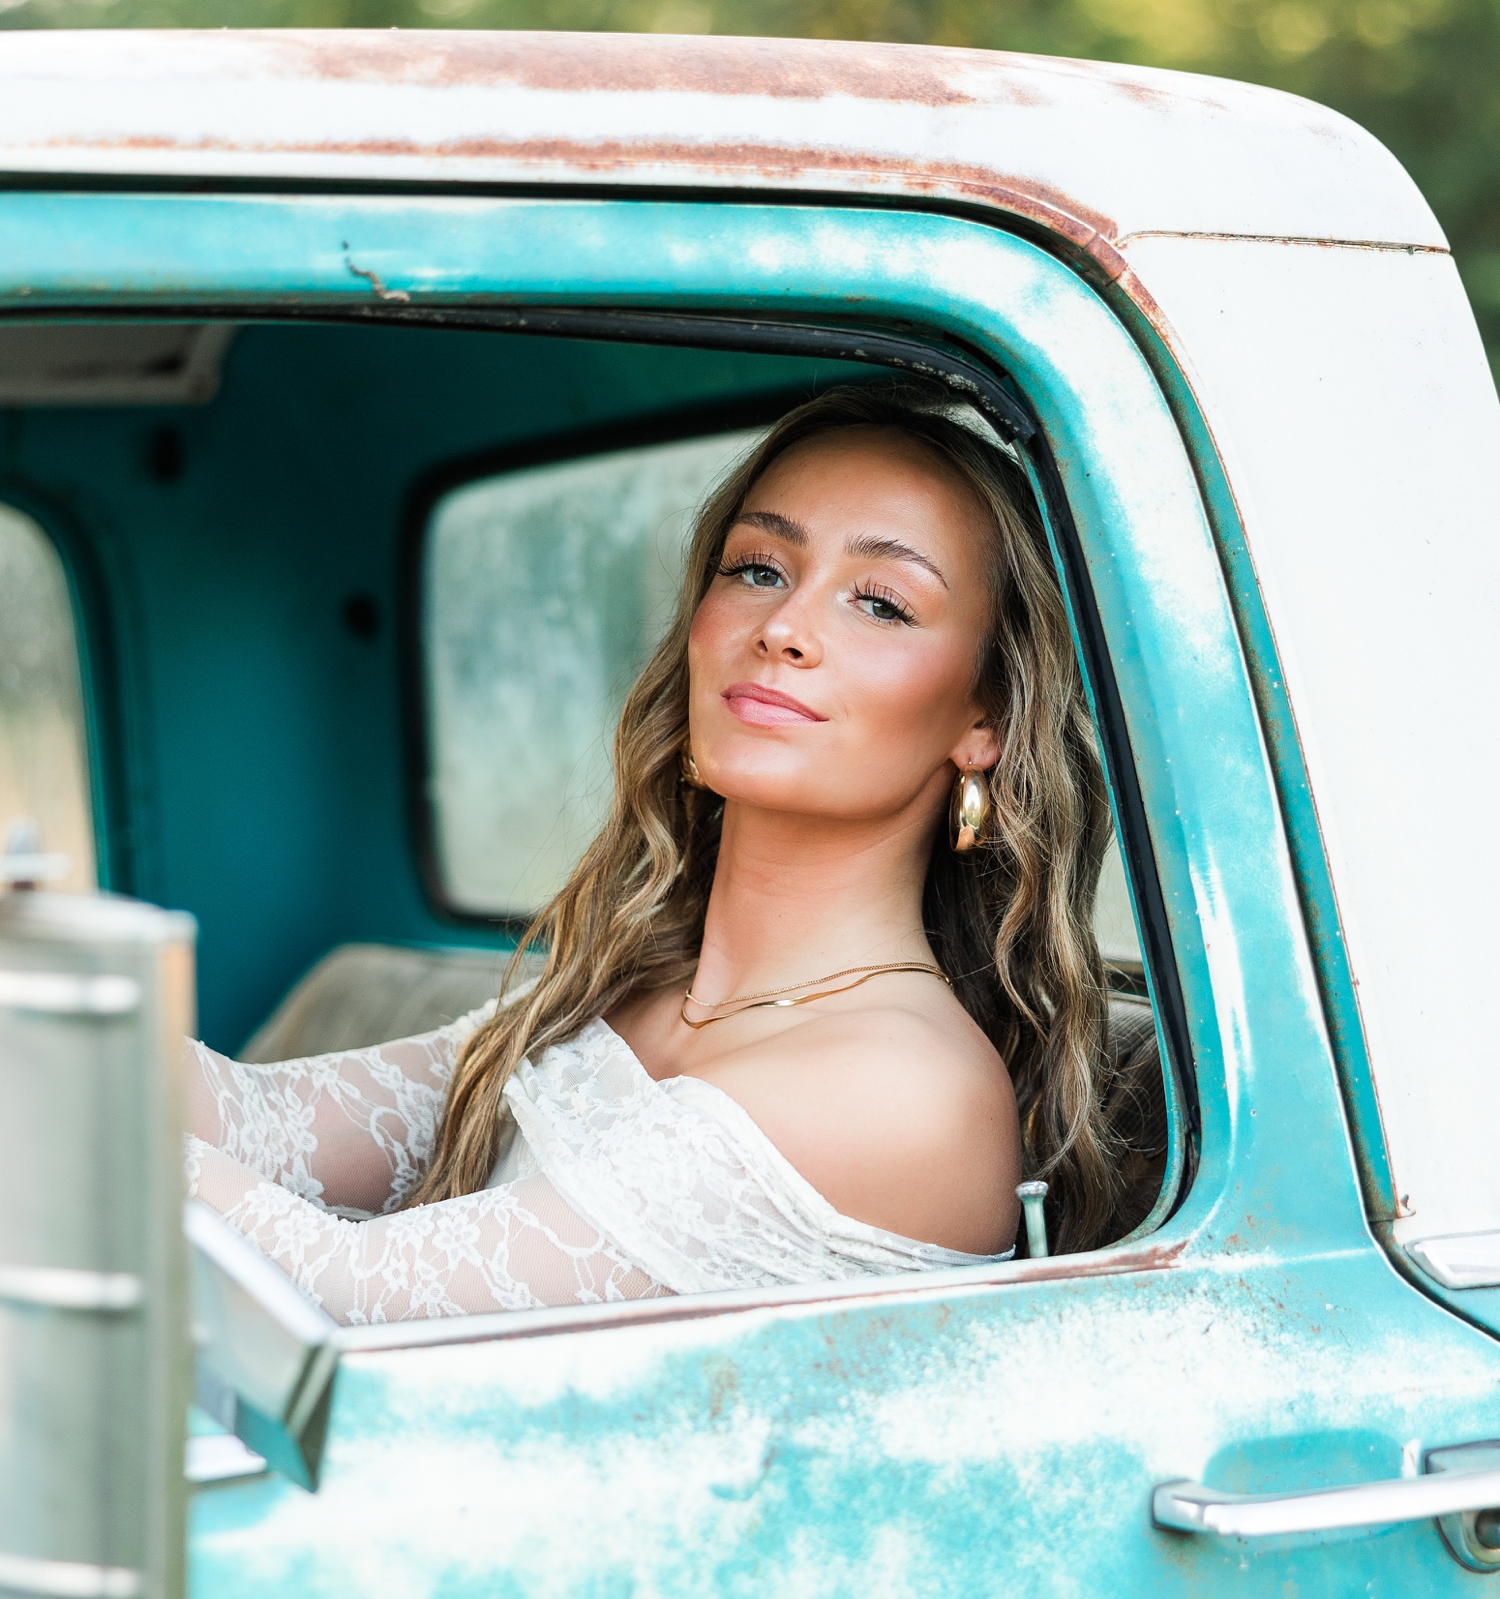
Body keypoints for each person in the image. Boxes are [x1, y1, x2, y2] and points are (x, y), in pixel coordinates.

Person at [185, 381, 1121, 1323]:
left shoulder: (905, 1088)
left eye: (880, 602)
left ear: (985, 719)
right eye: (757, 568)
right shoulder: (633, 988)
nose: (784, 629)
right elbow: (260, 1125)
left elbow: (345, 1298)